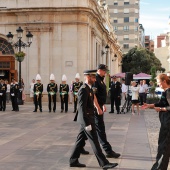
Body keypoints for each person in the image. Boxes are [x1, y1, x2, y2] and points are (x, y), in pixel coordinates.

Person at [69, 69, 118, 169]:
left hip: (89, 118)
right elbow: (81, 109)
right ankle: (104, 163)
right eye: (93, 77)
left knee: (80, 141)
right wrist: (87, 124)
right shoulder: (83, 89)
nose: (95, 79)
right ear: (87, 77)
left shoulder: (89, 88)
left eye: (95, 77)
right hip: (87, 120)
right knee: (95, 141)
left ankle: (73, 160)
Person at [89, 64, 120, 158]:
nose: (105, 72)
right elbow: (93, 96)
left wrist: (102, 105)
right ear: (99, 70)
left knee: (86, 129)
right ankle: (108, 151)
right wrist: (98, 107)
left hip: (98, 107)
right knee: (100, 129)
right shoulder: (96, 80)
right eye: (104, 70)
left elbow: (100, 95)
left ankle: (79, 147)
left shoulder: (100, 80)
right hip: (95, 109)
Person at [142, 74, 170, 170]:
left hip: (168, 123)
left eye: (158, 82)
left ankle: (159, 168)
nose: (158, 84)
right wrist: (149, 105)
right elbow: (161, 103)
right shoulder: (166, 92)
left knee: (164, 146)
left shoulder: (169, 92)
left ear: (164, 82)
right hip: (165, 122)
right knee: (163, 145)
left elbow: (167, 106)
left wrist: (161, 109)